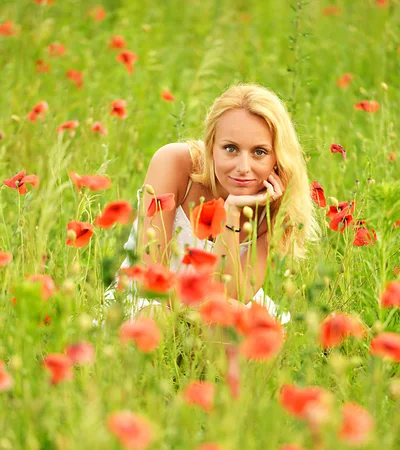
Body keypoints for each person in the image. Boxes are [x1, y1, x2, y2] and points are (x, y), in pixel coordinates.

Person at [112, 83, 319, 322]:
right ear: (211, 146)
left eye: (259, 152)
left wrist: (232, 213)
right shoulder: (175, 163)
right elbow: (150, 278)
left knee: (233, 318)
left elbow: (226, 295)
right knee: (155, 318)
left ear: (277, 157)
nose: (243, 168)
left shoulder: (275, 204)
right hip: (148, 303)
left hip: (216, 316)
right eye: (230, 148)